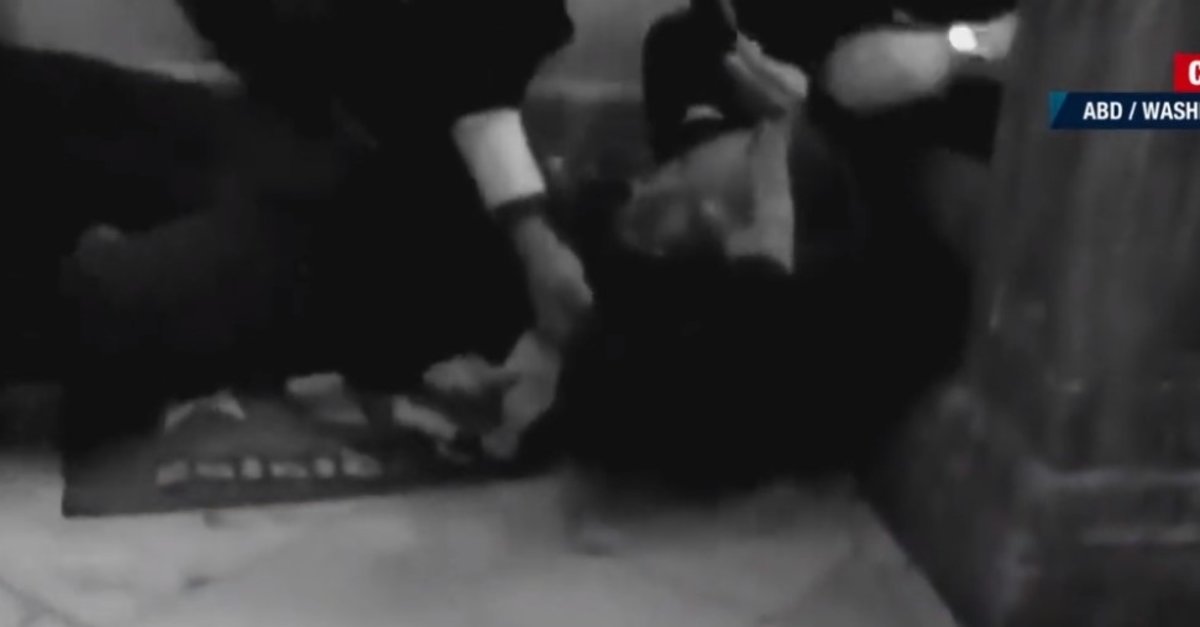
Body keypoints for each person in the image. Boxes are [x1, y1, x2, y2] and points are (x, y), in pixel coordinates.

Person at [0, 0, 591, 457]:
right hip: (285, 140)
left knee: (106, 296)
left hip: (390, 233)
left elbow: (483, 75)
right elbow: (255, 39)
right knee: (32, 94)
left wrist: (530, 232)